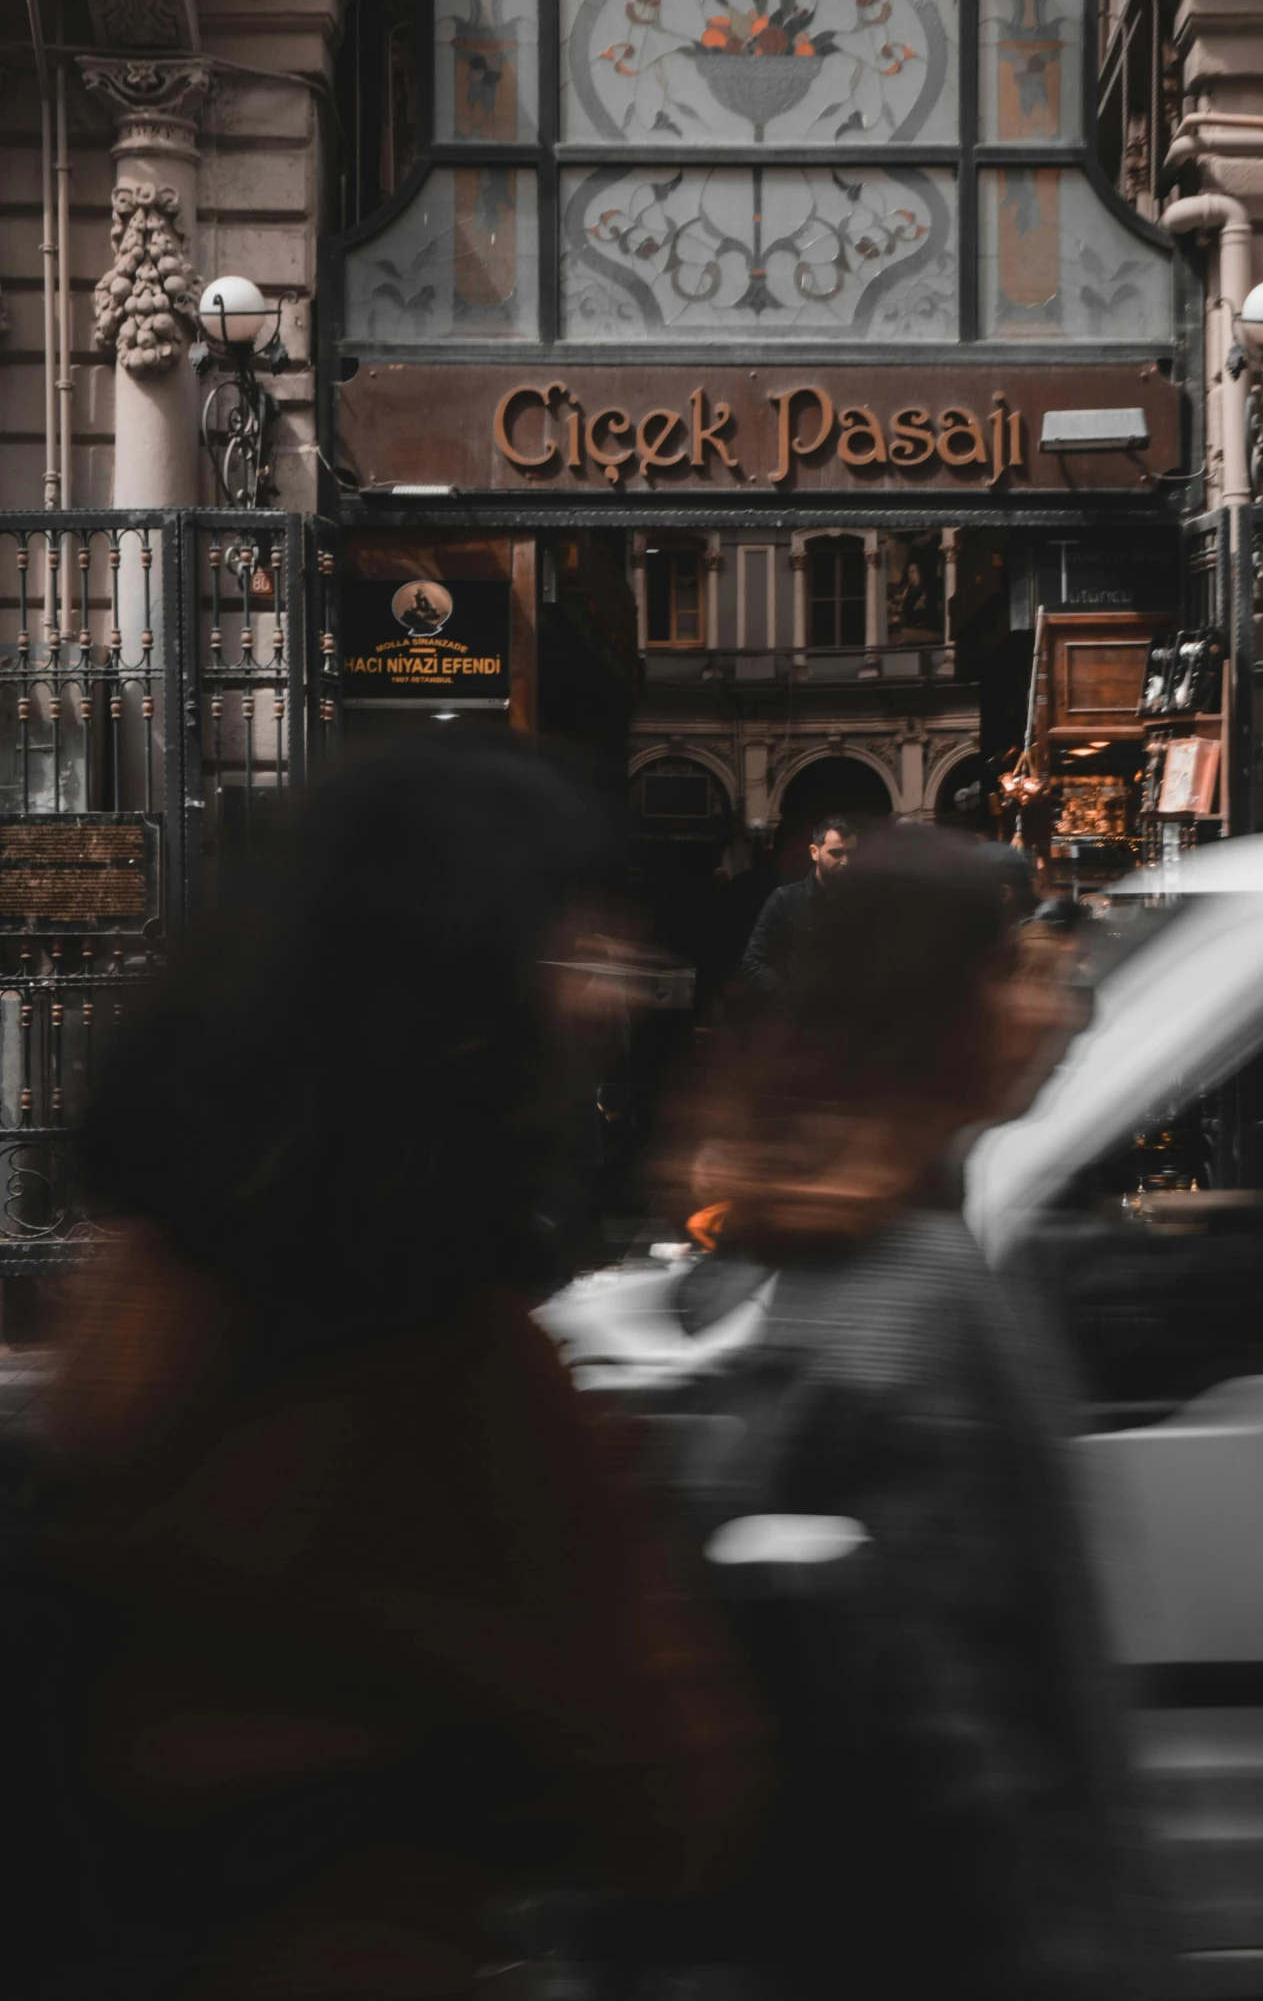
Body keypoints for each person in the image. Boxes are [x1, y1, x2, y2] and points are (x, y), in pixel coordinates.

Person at [29, 740, 765, 2001]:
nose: (621, 995)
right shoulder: (452, 1369)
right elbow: (668, 1787)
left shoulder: (143, 1291)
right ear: (468, 992)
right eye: (577, 954)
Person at [678, 828, 1164, 2001]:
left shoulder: (859, 1243)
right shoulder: (909, 1286)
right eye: (1010, 965)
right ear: (925, 1004)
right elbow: (956, 1728)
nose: (1056, 1003)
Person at [738, 815, 855, 996]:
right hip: (803, 1016)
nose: (846, 862)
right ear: (814, 852)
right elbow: (753, 962)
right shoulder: (785, 899)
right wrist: (790, 998)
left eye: (851, 854)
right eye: (836, 853)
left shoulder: (863, 900)